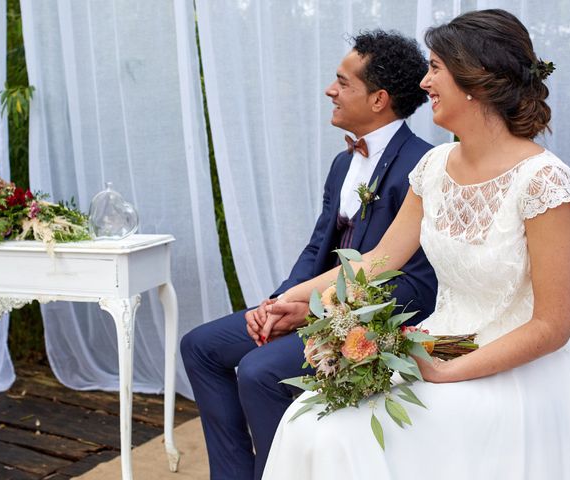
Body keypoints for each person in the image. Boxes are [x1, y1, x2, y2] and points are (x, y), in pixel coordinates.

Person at [261, 9, 570, 480]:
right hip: (436, 345)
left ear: (477, 80)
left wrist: (450, 372)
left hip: (518, 369)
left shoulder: (545, 182)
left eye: (435, 68)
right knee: (307, 420)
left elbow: (552, 325)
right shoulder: (434, 166)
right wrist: (295, 300)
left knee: (339, 437)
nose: (424, 83)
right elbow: (378, 260)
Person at [181, 30, 438, 480]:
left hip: (374, 318)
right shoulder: (343, 163)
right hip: (313, 302)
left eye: (343, 82)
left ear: (378, 99)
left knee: (258, 371)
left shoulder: (424, 165)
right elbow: (318, 248)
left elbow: (412, 283)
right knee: (200, 347)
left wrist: (311, 311)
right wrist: (277, 304)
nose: (329, 90)